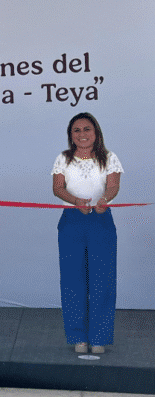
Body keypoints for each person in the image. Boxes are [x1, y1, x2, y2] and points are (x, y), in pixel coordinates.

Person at [52, 112, 122, 354]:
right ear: (71, 135)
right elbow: (58, 188)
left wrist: (104, 199)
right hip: (72, 221)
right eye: (77, 130)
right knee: (73, 280)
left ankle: (99, 337)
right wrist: (75, 201)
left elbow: (113, 186)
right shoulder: (63, 158)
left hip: (100, 220)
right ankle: (78, 338)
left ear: (96, 132)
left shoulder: (109, 158)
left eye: (87, 129)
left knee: (102, 280)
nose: (82, 134)